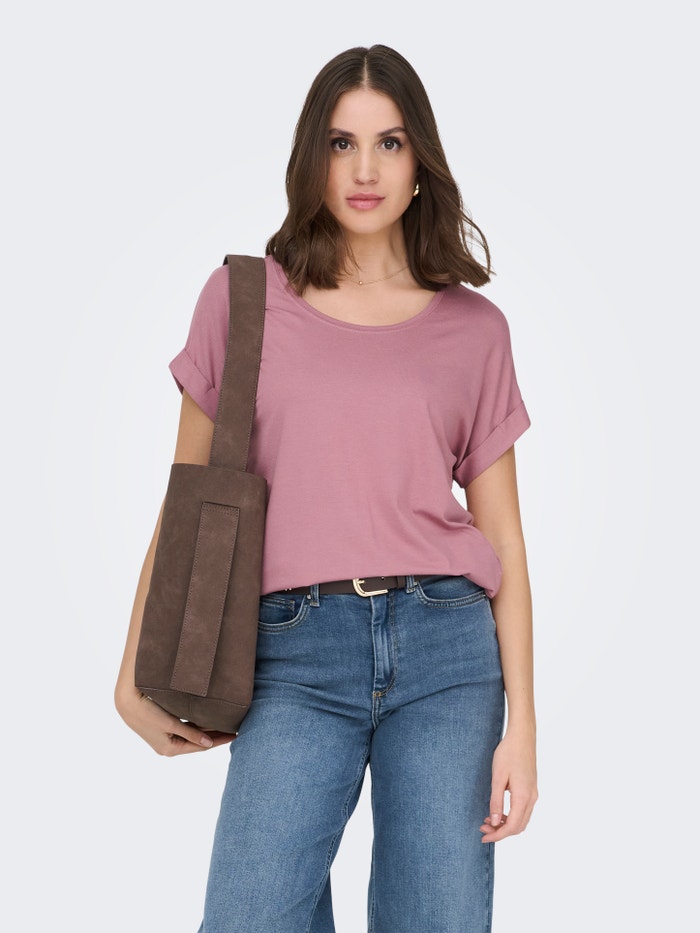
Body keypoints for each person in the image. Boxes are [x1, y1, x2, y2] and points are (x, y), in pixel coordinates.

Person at [115, 44, 538, 933]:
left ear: (420, 163)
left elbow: (502, 536)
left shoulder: (476, 329)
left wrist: (525, 725)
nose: (364, 169)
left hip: (448, 655)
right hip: (291, 656)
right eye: (342, 143)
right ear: (313, 156)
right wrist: (131, 673)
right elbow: (186, 500)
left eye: (389, 143)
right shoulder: (243, 300)